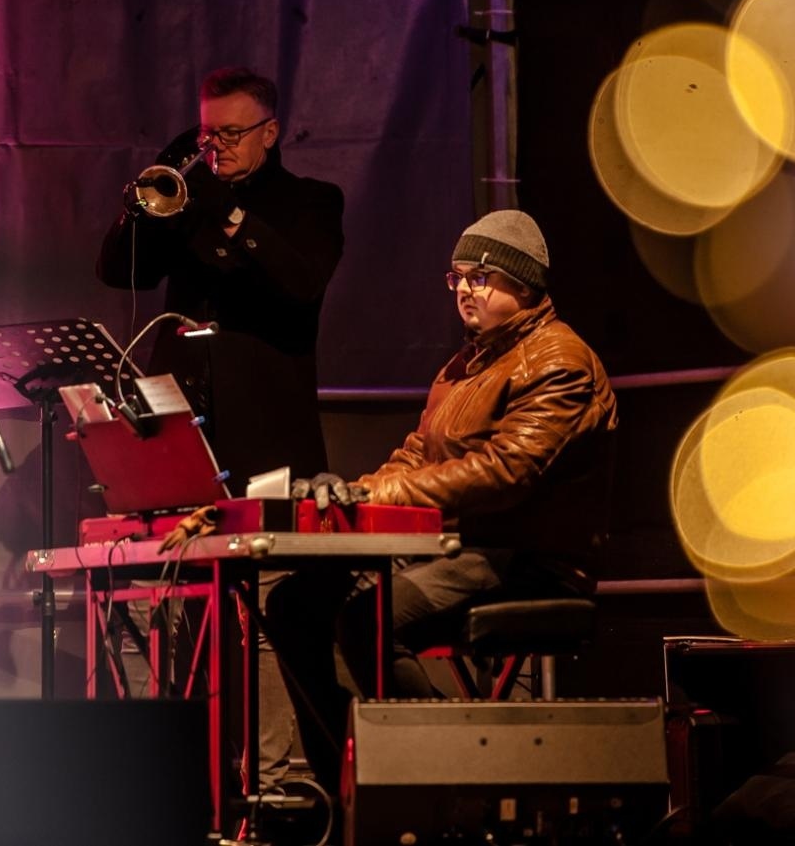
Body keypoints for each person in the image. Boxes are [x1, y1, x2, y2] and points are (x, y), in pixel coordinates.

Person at [265, 210, 619, 792]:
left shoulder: (559, 361)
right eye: (456, 276)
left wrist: (372, 494)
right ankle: (352, 789)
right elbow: (416, 455)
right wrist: (354, 492)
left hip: (527, 558)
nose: (463, 290)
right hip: (458, 546)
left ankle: (445, 779)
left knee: (366, 618)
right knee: (295, 603)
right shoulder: (464, 366)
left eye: (479, 276)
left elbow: (507, 472)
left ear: (523, 285)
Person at [97, 67, 344, 788]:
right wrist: (143, 209)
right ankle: (197, 782)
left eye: (231, 134)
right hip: (186, 443)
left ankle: (295, 783)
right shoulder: (188, 204)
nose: (216, 148)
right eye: (207, 133)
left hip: (270, 446)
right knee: (184, 620)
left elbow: (300, 282)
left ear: (270, 133)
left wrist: (229, 217)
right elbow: (116, 268)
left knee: (272, 622)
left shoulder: (311, 203)